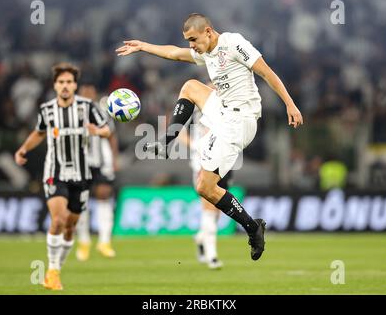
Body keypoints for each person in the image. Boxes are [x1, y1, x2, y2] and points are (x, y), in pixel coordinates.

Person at [116, 13, 303, 261]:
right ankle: (167, 141)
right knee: (191, 86)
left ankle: (252, 227)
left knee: (205, 187)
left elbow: (266, 73)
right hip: (223, 112)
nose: (191, 45)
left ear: (208, 31)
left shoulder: (233, 43)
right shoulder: (205, 52)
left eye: (193, 39)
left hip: (240, 120)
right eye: (188, 40)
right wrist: (143, 46)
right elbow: (173, 53)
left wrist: (290, 104)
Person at [14, 63, 111, 290]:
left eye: (69, 82)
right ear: (55, 85)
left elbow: (106, 129)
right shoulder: (47, 110)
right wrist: (23, 149)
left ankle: (56, 269)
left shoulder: (88, 107)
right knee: (57, 220)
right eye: (61, 82)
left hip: (81, 174)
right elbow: (39, 132)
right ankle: (53, 271)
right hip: (54, 173)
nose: (65, 86)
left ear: (75, 85)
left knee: (70, 227)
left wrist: (98, 131)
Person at [179, 107, 231, 270]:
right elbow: (179, 133)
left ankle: (201, 237)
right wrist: (197, 145)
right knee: (208, 209)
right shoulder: (195, 112)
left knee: (216, 212)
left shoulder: (227, 108)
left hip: (224, 164)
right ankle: (212, 256)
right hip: (201, 165)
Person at [75, 84, 120, 261]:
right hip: (81, 161)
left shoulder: (103, 110)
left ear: (94, 92)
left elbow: (112, 135)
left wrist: (114, 159)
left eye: (90, 91)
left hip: (102, 161)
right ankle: (84, 241)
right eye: (84, 91)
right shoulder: (72, 111)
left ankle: (104, 241)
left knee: (104, 195)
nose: (87, 94)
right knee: (81, 200)